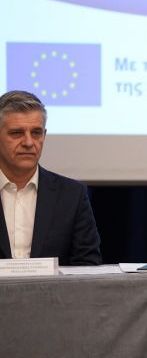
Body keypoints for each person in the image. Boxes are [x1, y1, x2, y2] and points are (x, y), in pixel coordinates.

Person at [0, 90, 101, 265]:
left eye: (36, 133)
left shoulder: (72, 195)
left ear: (44, 136)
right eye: (17, 133)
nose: (28, 142)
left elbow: (88, 264)